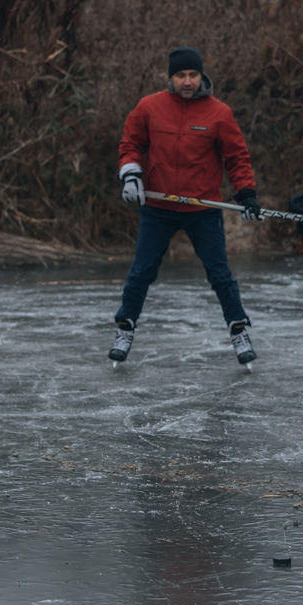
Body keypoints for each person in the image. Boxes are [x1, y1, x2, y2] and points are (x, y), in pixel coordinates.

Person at [109, 46, 262, 366]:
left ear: (201, 75)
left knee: (220, 274)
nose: (187, 81)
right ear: (171, 78)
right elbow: (131, 144)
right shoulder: (149, 107)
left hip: (202, 209)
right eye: (181, 75)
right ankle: (125, 328)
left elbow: (237, 157)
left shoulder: (219, 113)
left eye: (192, 75)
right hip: (158, 206)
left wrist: (246, 193)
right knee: (141, 272)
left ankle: (238, 331)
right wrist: (131, 176)